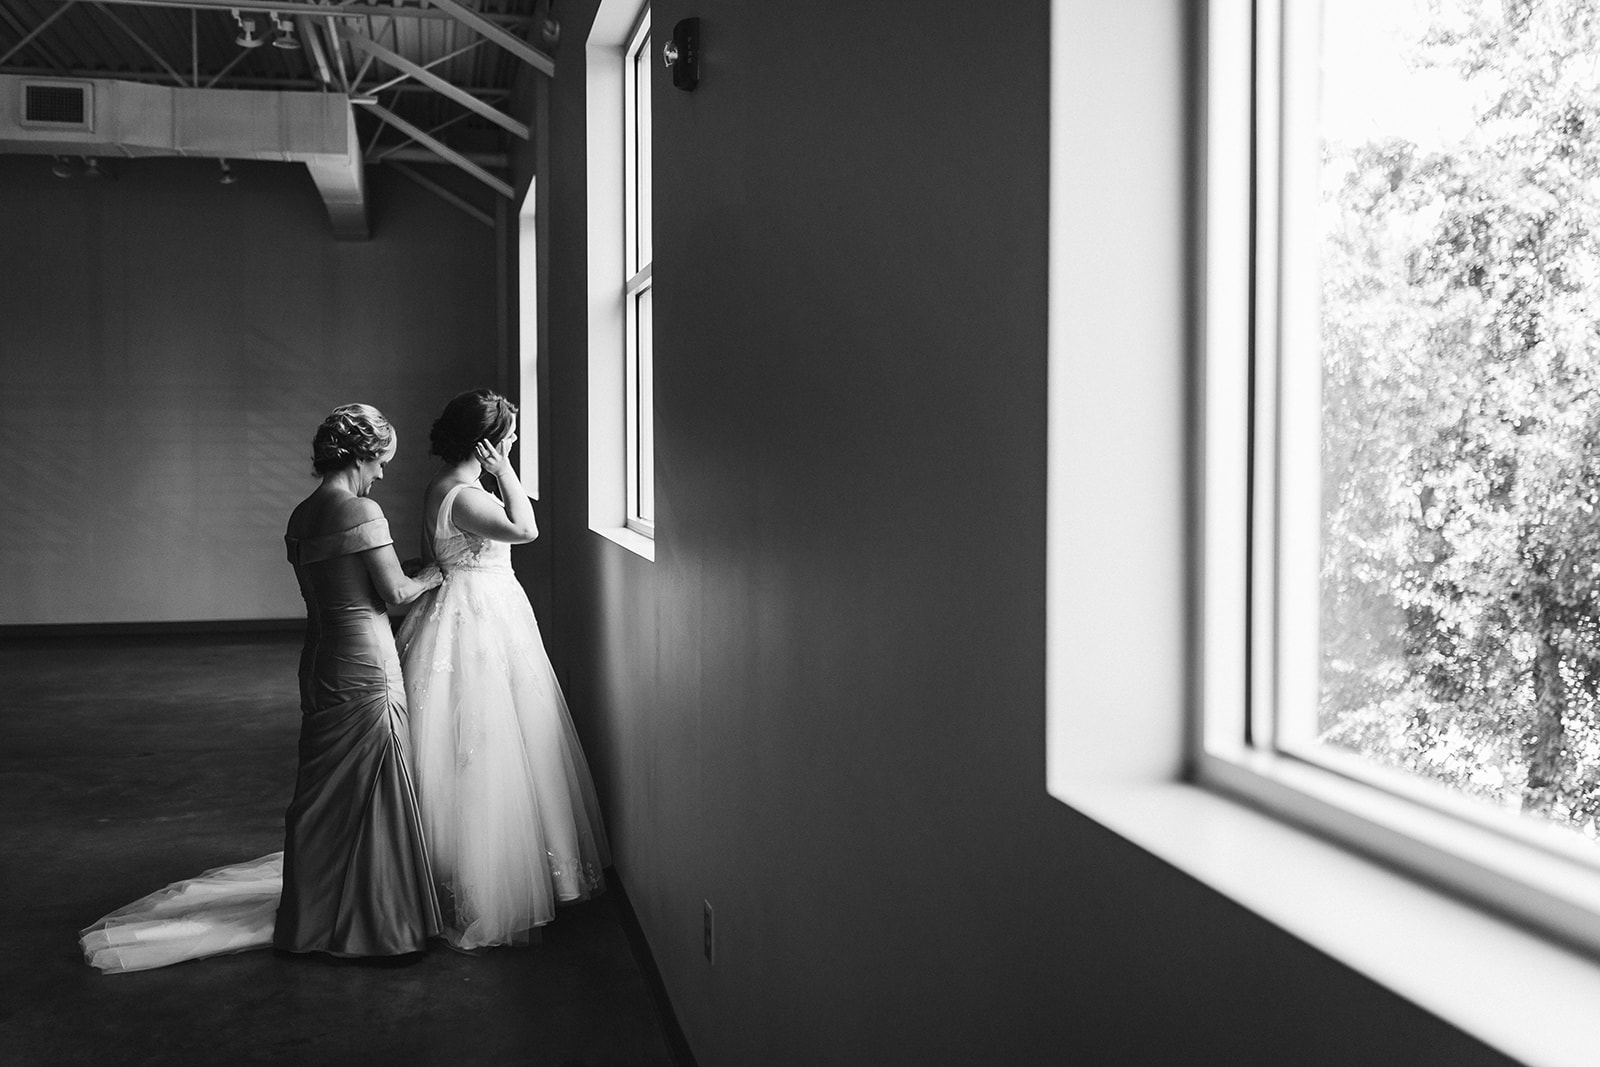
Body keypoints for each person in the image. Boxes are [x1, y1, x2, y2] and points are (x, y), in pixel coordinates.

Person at [79, 404, 444, 972]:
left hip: (321, 659)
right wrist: (434, 574)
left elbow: (343, 583)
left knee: (325, 792)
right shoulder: (361, 508)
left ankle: (314, 916)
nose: (383, 474)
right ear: (362, 455)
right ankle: (373, 923)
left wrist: (403, 574)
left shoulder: (303, 513)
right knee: (369, 787)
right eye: (382, 461)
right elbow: (394, 595)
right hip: (367, 663)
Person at [396, 389, 610, 951]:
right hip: (479, 616)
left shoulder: (442, 487)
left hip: (469, 605)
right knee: (486, 741)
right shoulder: (466, 495)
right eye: (509, 434)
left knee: (490, 738)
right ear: (489, 442)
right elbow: (526, 530)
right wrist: (508, 471)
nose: (514, 441)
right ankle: (480, 884)